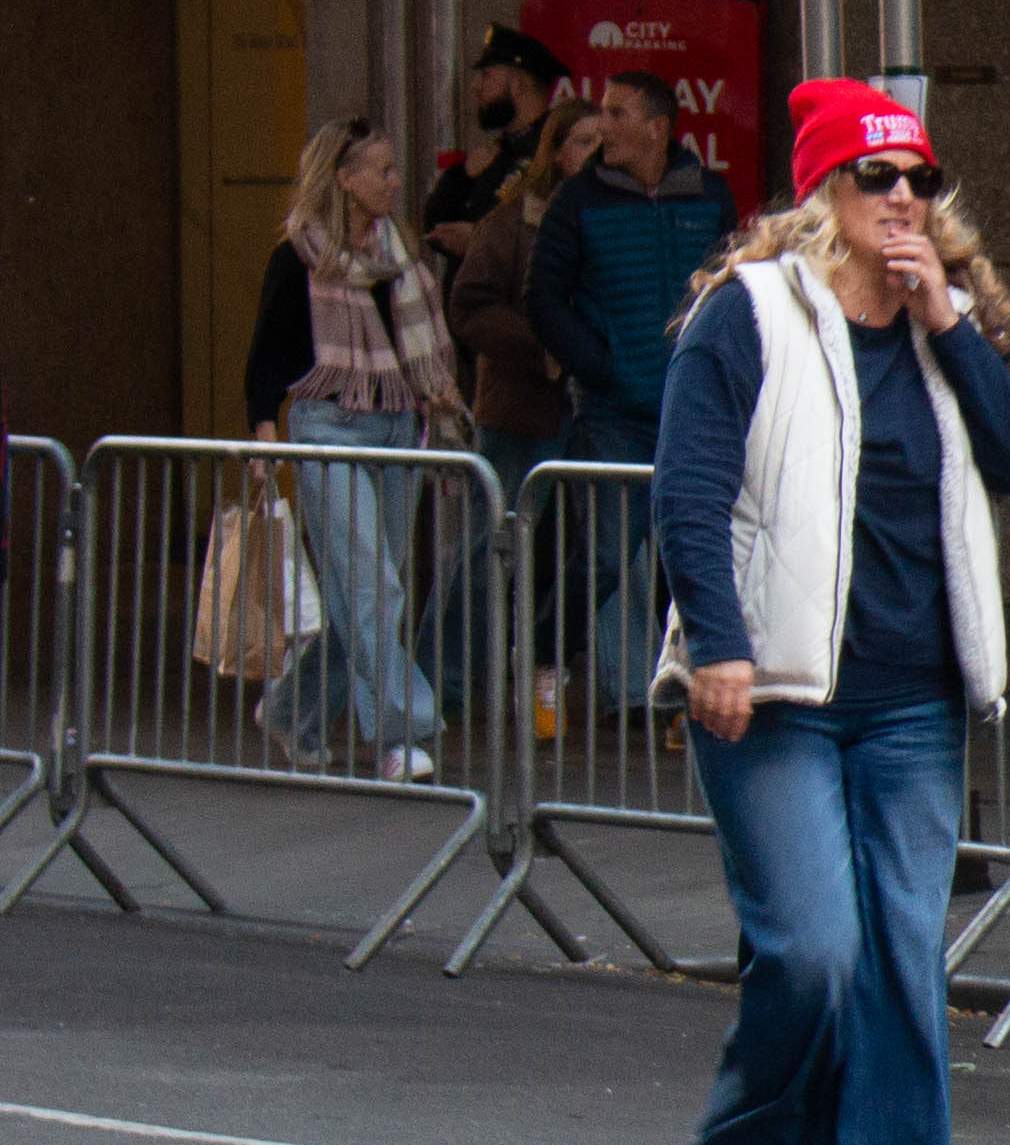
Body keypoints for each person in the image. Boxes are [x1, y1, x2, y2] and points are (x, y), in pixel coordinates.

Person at [656, 79, 1010, 1145]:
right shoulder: (751, 316)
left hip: (912, 702)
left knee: (897, 974)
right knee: (815, 951)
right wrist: (713, 641)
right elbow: (689, 487)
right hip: (772, 692)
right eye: (873, 180)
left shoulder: (946, 328)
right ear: (821, 195)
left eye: (918, 183)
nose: (900, 203)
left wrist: (950, 326)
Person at [242, 117, 467, 783]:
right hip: (329, 426)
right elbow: (268, 352)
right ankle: (404, 733)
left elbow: (420, 352)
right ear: (343, 178)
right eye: (382, 170)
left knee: (367, 592)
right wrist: (263, 432)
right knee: (373, 586)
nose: (395, 182)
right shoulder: (300, 256)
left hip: (400, 424)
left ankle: (293, 710)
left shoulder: (400, 257)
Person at [530, 69, 731, 704]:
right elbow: (543, 298)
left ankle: (685, 688)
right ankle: (540, 654)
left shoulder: (708, 192)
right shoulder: (577, 202)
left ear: (656, 127)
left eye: (617, 114)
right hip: (615, 407)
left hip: (690, 405)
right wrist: (598, 363)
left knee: (690, 550)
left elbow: (732, 282)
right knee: (609, 555)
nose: (603, 125)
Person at [444, 88, 593, 729]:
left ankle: (583, 681)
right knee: (488, 549)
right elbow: (471, 308)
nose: (597, 153)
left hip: (590, 403)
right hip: (518, 409)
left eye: (604, 142)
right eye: (584, 142)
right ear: (556, 154)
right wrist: (547, 347)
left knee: (589, 547)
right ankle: (446, 681)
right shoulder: (510, 223)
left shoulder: (607, 215)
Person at [423, 26, 569, 257]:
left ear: (518, 83)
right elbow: (435, 227)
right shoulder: (499, 151)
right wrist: (461, 177)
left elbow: (552, 242)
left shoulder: (556, 151)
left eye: (487, 75)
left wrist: (480, 243)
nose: (476, 85)